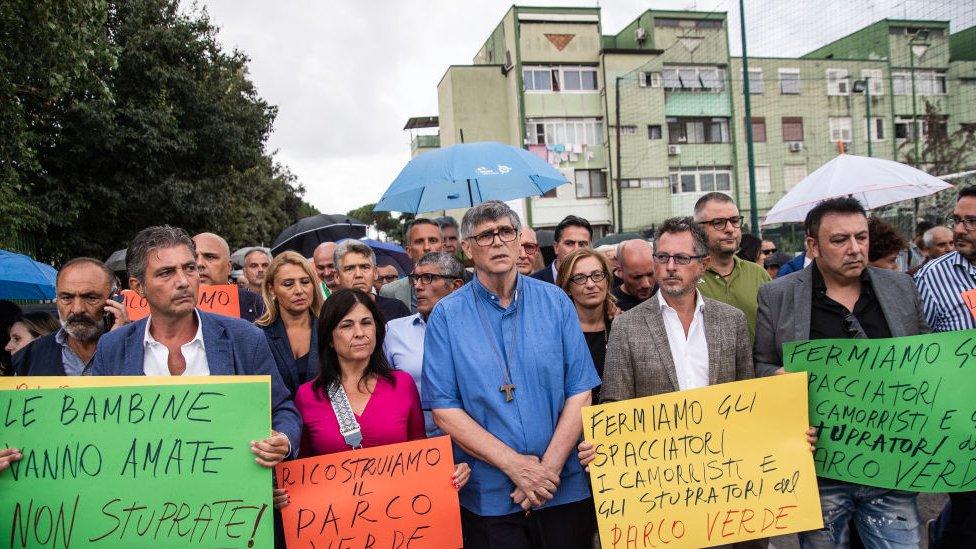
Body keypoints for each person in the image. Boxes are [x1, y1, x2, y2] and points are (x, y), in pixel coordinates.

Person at [422, 201, 600, 548]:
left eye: (506, 231)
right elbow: (445, 409)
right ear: (467, 249)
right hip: (490, 496)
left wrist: (546, 470)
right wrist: (516, 466)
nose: (498, 241)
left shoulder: (556, 302)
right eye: (486, 235)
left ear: (520, 241)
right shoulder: (446, 316)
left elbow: (580, 390)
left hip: (561, 485)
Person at [754, 197, 928, 548]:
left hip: (892, 462)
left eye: (861, 237)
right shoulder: (778, 295)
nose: (854, 249)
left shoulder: (900, 286)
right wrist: (777, 379)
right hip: (822, 468)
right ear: (812, 245)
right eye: (840, 240)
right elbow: (761, 364)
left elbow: (924, 355)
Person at [91, 225, 301, 466]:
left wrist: (283, 440)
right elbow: (102, 432)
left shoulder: (244, 338)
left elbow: (283, 409)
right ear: (138, 287)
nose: (183, 282)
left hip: (228, 497)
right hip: (143, 499)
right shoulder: (113, 346)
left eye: (189, 268)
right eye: (166, 273)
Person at [273, 288, 469, 509]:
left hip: (400, 519)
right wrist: (284, 495)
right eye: (346, 325)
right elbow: (303, 469)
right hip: (339, 524)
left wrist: (449, 471)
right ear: (329, 337)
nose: (359, 333)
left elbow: (420, 454)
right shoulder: (309, 395)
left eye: (366, 323)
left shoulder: (402, 385)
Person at [914, 187, 976, 547]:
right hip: (960, 425)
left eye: (972, 221)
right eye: (957, 220)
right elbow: (917, 348)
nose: (961, 229)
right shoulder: (934, 278)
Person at [383, 252, 465, 435]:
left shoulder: (477, 330)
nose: (418, 287)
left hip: (473, 442)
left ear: (456, 286)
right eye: (416, 278)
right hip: (419, 446)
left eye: (428, 278)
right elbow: (384, 394)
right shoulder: (394, 331)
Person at [14, 257, 129, 376]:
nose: (77, 309)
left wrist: (120, 343)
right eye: (66, 298)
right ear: (57, 299)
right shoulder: (28, 358)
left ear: (113, 300)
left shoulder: (140, 348)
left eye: (91, 298)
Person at [694, 192, 771, 340]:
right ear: (698, 229)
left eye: (735, 220)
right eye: (718, 222)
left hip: (755, 363)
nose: (730, 229)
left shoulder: (758, 274)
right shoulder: (688, 276)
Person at [255, 251, 325, 398]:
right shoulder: (258, 334)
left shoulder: (330, 328)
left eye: (305, 282)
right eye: (288, 284)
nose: (299, 291)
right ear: (271, 289)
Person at [556, 248, 617, 402]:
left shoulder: (621, 325)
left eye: (597, 275)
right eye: (580, 278)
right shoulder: (557, 334)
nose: (590, 284)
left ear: (607, 280)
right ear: (567, 287)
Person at [192, 232, 265, 322]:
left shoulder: (256, 304)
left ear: (229, 267)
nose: (199, 263)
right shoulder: (173, 305)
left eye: (210, 257)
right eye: (193, 257)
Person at [335, 239, 410, 322]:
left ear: (375, 273)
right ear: (337, 276)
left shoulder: (396, 310)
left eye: (365, 267)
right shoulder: (331, 312)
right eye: (349, 269)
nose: (358, 274)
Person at [380, 218, 442, 312]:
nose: (427, 247)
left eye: (433, 240)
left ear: (442, 248)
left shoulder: (461, 287)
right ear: (409, 251)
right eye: (419, 241)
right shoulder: (389, 292)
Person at [530, 215, 592, 284]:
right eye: (569, 243)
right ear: (556, 247)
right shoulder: (533, 283)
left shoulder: (597, 282)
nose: (576, 250)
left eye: (582, 244)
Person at [611, 239, 655, 311]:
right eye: (637, 277)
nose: (646, 284)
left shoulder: (665, 294)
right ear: (620, 272)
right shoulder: (610, 305)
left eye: (650, 274)